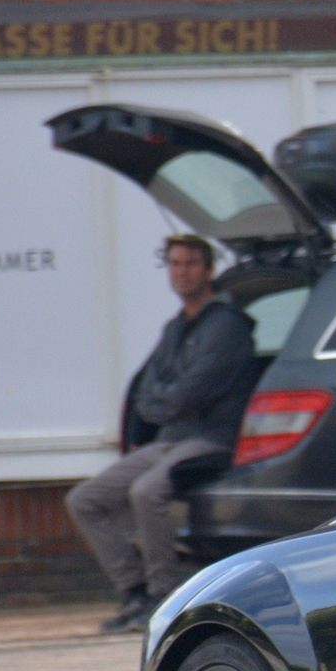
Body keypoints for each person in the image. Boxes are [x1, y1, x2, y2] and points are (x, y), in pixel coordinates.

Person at [67, 234, 257, 632]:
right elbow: (147, 389)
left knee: (146, 491)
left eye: (190, 264)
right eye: (174, 264)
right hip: (168, 439)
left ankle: (164, 596)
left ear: (208, 270)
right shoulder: (175, 327)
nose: (181, 272)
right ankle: (134, 592)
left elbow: (194, 390)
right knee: (85, 499)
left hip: (211, 439)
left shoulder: (228, 325)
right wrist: (161, 403)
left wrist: (162, 401)